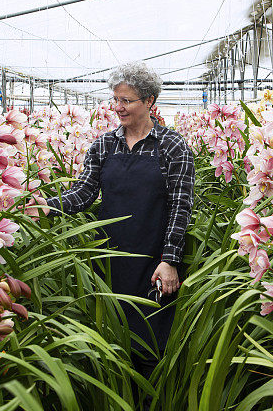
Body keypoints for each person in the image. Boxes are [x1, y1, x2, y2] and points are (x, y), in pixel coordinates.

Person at [44, 61, 195, 379]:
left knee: (151, 347)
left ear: (150, 101)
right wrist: (45, 207)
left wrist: (170, 260)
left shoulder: (171, 147)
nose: (119, 107)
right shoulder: (103, 145)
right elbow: (83, 194)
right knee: (112, 343)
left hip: (153, 262)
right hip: (109, 260)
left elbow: (181, 207)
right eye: (116, 99)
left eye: (127, 100)